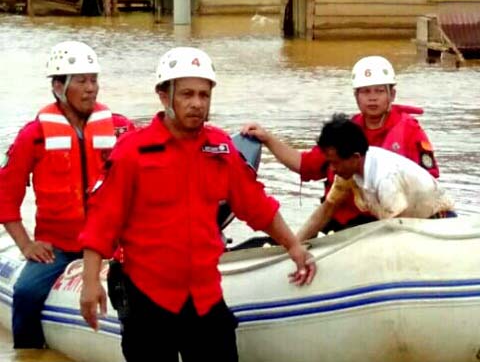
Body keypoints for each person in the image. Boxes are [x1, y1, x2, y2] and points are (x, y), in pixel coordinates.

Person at [78, 47, 316, 362]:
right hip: (148, 296)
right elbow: (102, 220)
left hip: (204, 296)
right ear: (164, 96)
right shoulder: (132, 152)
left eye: (204, 95)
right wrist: (90, 281)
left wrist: (294, 246)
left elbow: (255, 204)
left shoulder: (220, 149)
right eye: (187, 94)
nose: (197, 104)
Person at [0, 41, 134, 349]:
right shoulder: (33, 136)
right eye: (82, 81)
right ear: (59, 87)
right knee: (26, 293)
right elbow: (6, 196)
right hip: (59, 246)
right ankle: (30, 352)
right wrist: (26, 244)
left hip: (111, 242)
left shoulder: (120, 128)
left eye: (94, 79)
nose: (91, 89)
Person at [242, 55, 440, 233]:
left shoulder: (409, 131)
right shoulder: (345, 131)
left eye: (379, 91)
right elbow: (305, 165)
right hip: (340, 223)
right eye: (365, 91)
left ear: (392, 95)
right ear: (356, 96)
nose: (372, 97)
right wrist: (267, 138)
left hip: (384, 222)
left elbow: (426, 187)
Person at [297, 114, 454, 241]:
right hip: (407, 222)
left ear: (355, 157)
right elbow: (327, 209)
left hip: (436, 224)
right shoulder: (349, 172)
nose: (332, 169)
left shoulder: (385, 179)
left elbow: (397, 230)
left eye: (335, 163)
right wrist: (295, 246)